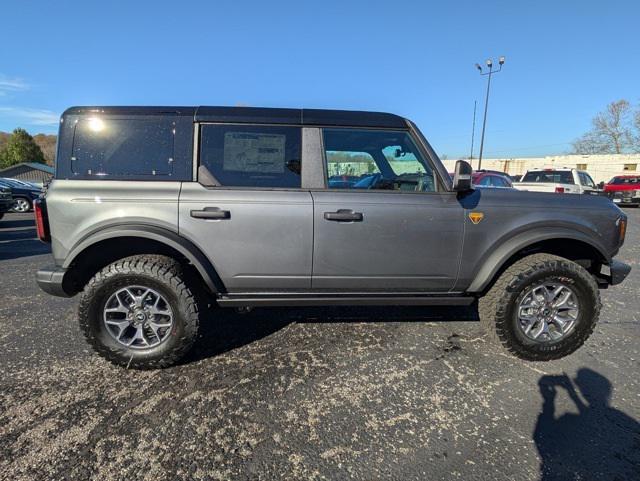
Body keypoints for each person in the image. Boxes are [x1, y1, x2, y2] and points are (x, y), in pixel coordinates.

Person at [534, 368, 640, 480]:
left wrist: (549, 401)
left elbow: (541, 437)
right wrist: (572, 395)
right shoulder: (626, 421)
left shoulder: (567, 420)